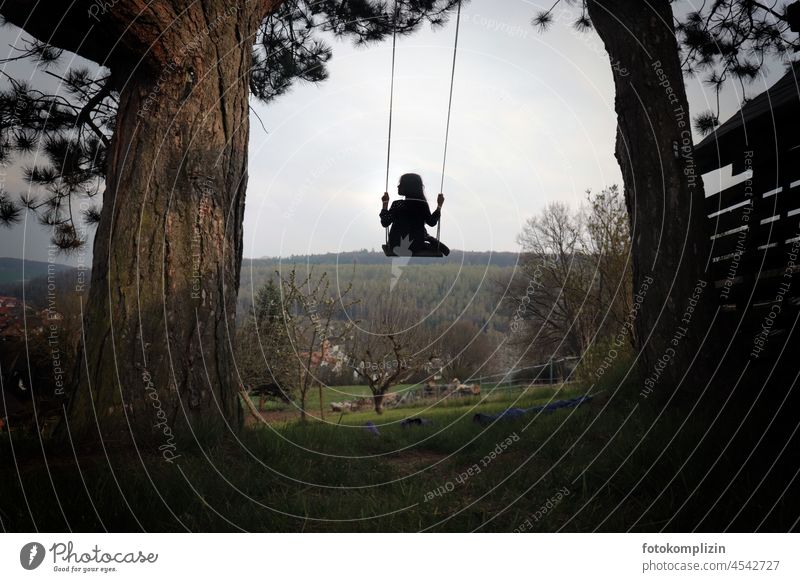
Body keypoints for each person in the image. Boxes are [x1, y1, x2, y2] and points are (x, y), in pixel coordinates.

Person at [380, 173, 450, 256]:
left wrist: (385, 204)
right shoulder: (422, 205)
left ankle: (427, 237)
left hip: (396, 245)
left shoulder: (398, 204)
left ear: (408, 186)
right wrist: (439, 206)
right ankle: (428, 237)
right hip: (415, 246)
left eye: (401, 184)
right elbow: (432, 222)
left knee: (425, 238)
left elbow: (385, 222)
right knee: (429, 241)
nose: (398, 186)